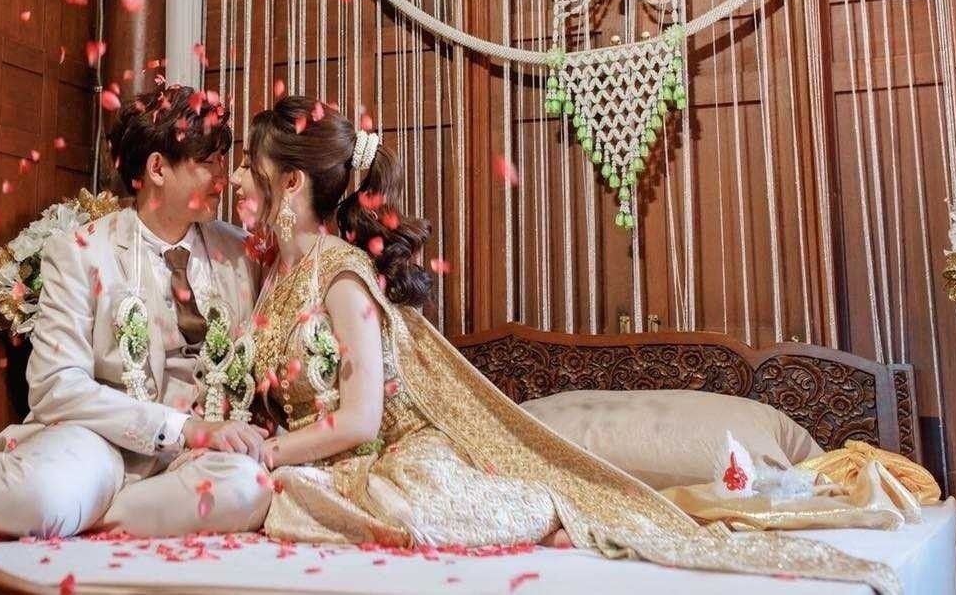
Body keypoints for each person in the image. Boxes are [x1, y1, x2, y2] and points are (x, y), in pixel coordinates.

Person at [227, 94, 897, 593]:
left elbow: (362, 419)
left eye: (248, 167)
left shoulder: (344, 277)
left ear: (290, 182)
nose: (234, 180)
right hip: (320, 461)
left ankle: (554, 510)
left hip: (387, 455)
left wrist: (271, 453)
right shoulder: (273, 273)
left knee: (400, 504)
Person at [0, 85, 272, 538]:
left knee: (249, 487)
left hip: (200, 461)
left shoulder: (242, 254)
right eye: (208, 162)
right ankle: (57, 498)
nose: (223, 178)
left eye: (223, 161)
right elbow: (56, 387)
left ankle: (93, 516)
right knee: (37, 498)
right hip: (100, 445)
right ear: (157, 168)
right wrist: (183, 428)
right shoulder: (80, 252)